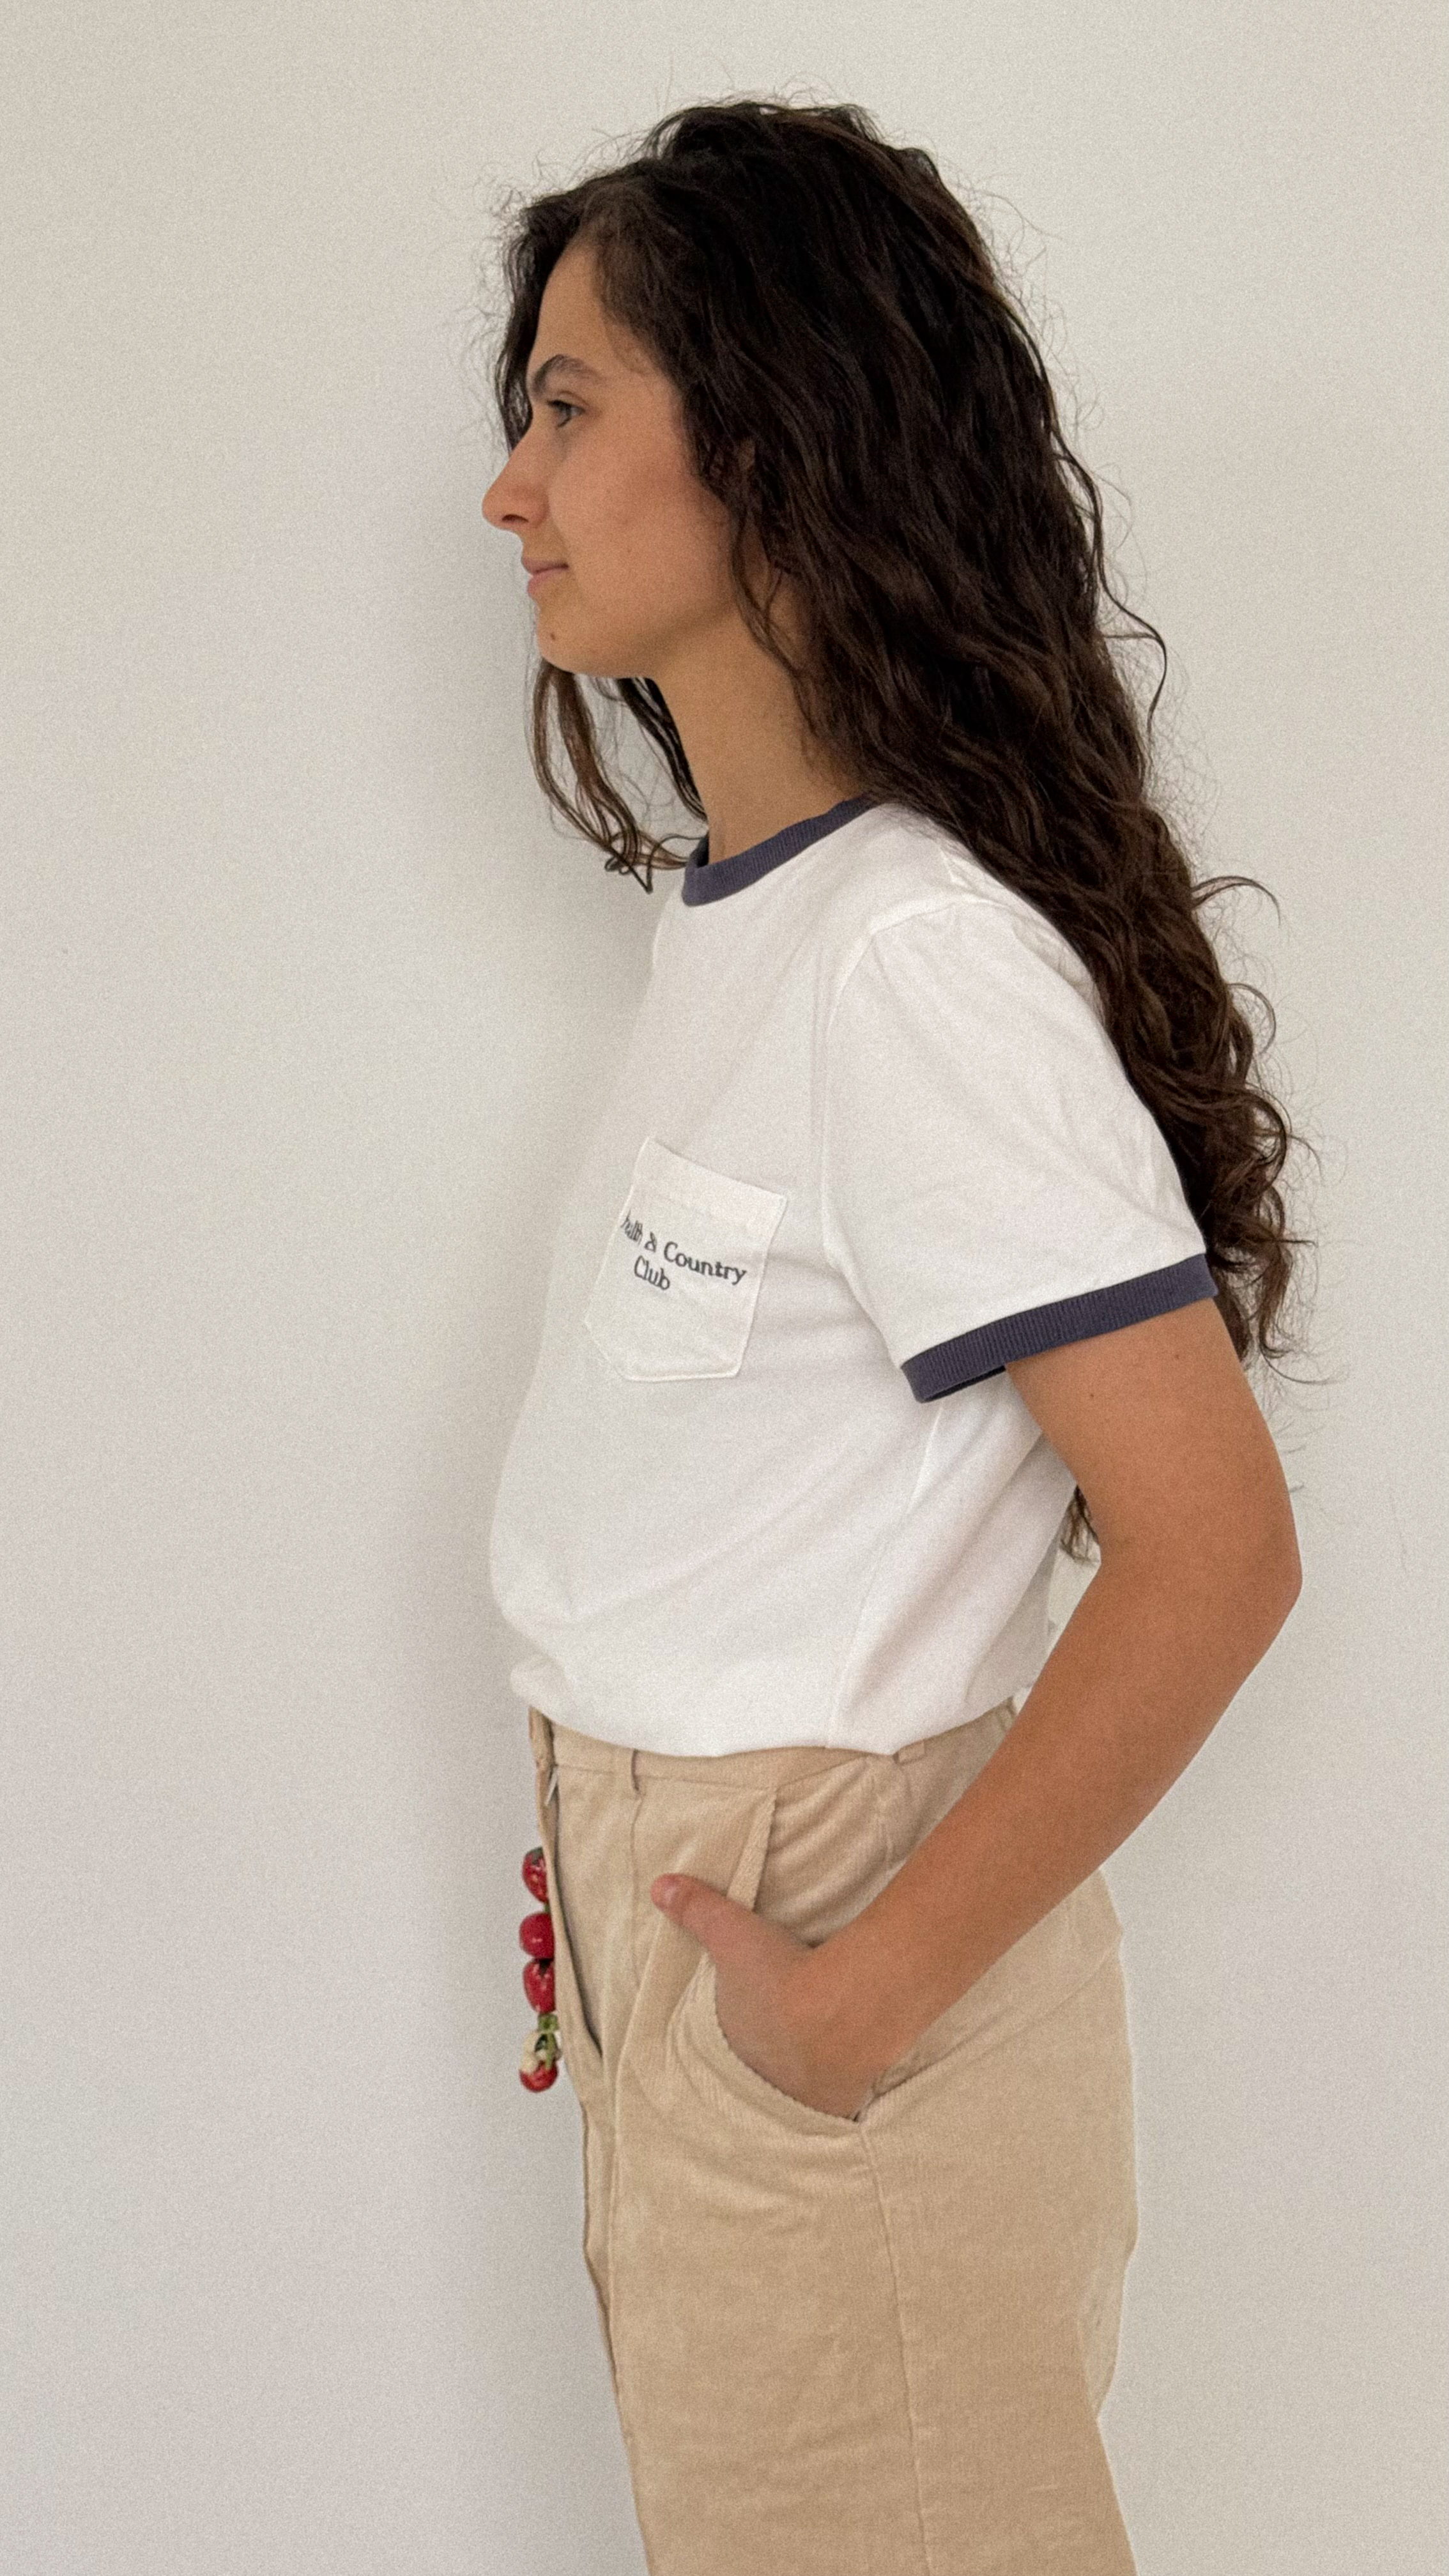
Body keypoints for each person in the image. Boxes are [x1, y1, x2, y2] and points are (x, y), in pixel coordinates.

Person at [479, 96, 1307, 2576]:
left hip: (835, 1980)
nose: (510, 493)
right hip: (702, 1960)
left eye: (566, 407)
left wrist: (857, 1994)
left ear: (773, 434)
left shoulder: (912, 964)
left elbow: (1212, 1549)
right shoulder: (756, 927)